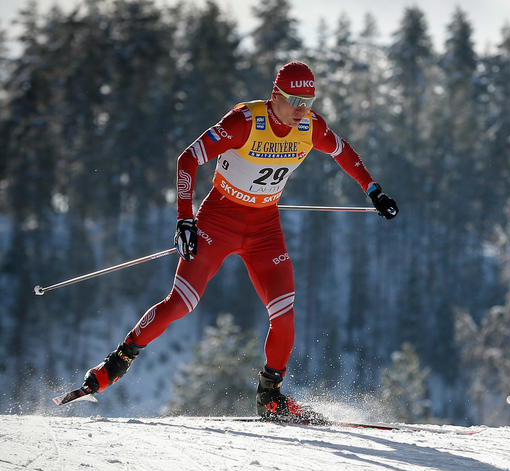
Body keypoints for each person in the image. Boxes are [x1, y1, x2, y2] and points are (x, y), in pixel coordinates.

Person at [80, 61, 398, 421]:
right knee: (181, 303)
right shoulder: (245, 122)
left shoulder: (310, 126)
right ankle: (115, 363)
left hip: (265, 228)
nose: (301, 109)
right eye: (294, 99)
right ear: (275, 95)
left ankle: (269, 396)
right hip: (218, 220)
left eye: (308, 100)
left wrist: (374, 190)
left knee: (285, 315)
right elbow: (188, 159)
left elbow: (345, 152)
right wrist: (185, 217)